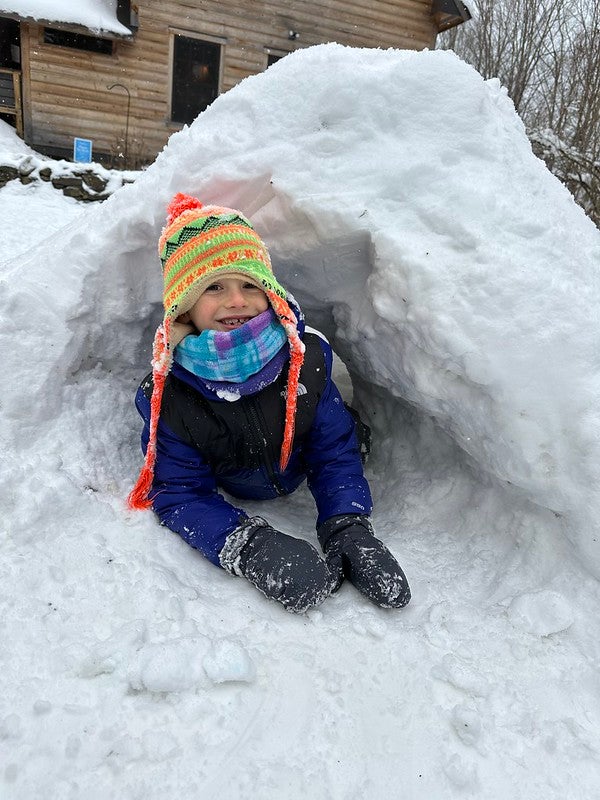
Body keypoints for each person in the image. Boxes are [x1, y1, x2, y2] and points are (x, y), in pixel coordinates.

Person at [129, 193, 410, 613]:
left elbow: (332, 452)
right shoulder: (171, 398)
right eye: (214, 287)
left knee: (344, 432)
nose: (237, 300)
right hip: (237, 475)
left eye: (249, 285)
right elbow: (179, 492)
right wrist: (248, 545)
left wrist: (346, 522)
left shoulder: (304, 360)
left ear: (271, 293)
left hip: (299, 460)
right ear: (183, 305)